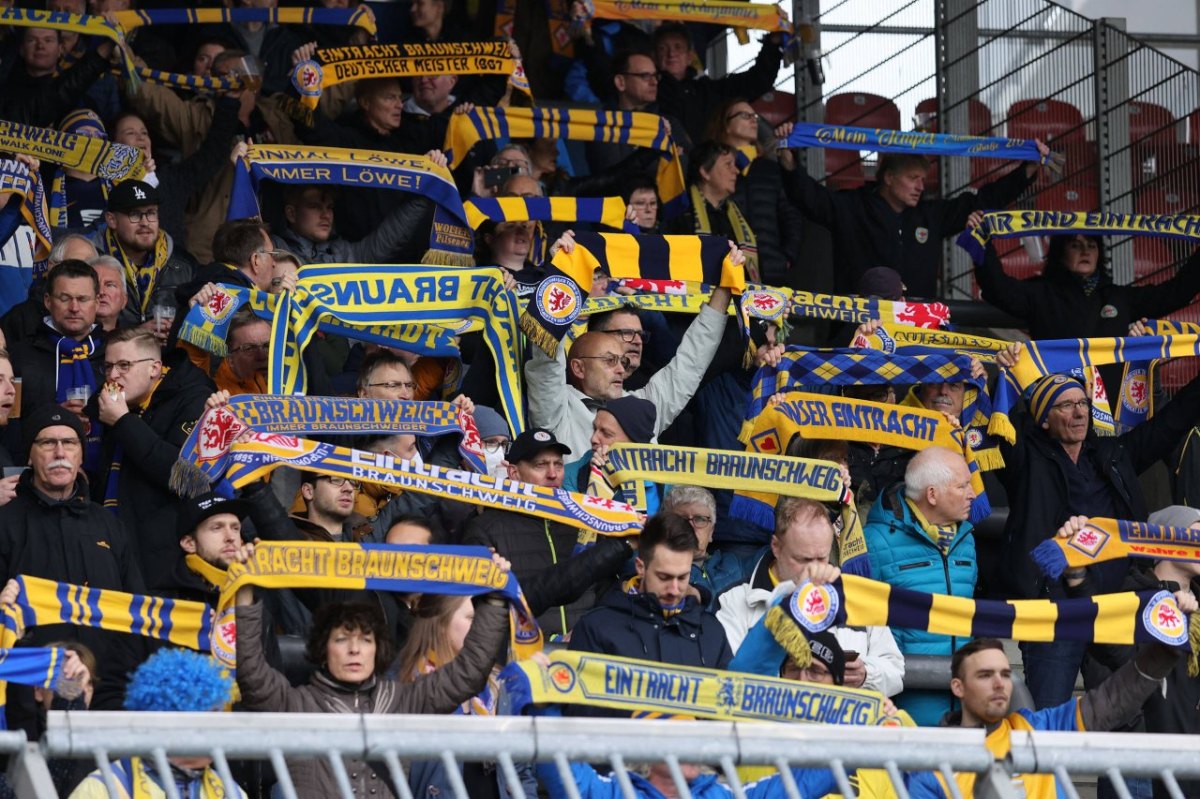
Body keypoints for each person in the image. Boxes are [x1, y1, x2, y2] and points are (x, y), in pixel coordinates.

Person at [233, 544, 512, 799]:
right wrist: (244, 598)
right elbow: (253, 677)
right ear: (322, 650)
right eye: (342, 640)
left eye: (366, 640)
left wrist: (496, 600)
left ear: (377, 650)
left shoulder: (403, 700)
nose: (355, 650)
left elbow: (469, 671)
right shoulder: (297, 704)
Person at [998, 367, 1200, 709]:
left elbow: (1170, 423)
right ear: (1043, 419)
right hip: (1056, 611)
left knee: (1124, 713)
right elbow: (1000, 431)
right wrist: (1012, 374)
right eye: (1065, 405)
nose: (1079, 413)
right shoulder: (1025, 459)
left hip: (1117, 608)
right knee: (1051, 716)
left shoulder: (1113, 454)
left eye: (1083, 403)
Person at [776, 123, 1050, 297]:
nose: (920, 186)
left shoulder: (930, 215)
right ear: (888, 177)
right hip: (860, 329)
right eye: (912, 178)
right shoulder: (852, 207)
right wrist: (787, 157)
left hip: (916, 330)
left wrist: (1027, 171)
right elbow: (809, 197)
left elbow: (983, 200)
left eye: (923, 178)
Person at [526, 230, 735, 457]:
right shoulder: (558, 410)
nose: (621, 368)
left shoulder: (641, 408)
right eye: (609, 360)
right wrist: (560, 275)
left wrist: (726, 286)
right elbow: (546, 359)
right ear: (578, 367)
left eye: (622, 361)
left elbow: (691, 362)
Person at [905, 636, 1189, 798]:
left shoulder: (1036, 727)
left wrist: (1166, 648)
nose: (999, 684)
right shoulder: (930, 769)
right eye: (985, 675)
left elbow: (1111, 702)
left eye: (1005, 674)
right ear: (958, 687)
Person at [0, 405, 145, 714]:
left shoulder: (108, 524)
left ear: (81, 455)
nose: (59, 451)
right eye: (47, 442)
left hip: (108, 690)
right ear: (29, 455)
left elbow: (136, 604)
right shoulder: (5, 523)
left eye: (69, 442)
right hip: (29, 693)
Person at [971, 217, 1200, 396]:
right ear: (1060, 253)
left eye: (1092, 245)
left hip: (1111, 409)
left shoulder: (1118, 296)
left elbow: (1175, 293)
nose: (1085, 251)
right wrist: (983, 240)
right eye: (1075, 245)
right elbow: (996, 287)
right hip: (1057, 405)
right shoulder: (1041, 293)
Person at [718, 496, 903, 697]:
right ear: (776, 547)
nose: (814, 568)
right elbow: (729, 681)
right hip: (771, 725)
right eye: (803, 559)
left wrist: (866, 675)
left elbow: (895, 670)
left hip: (840, 725)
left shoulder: (858, 596)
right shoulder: (734, 600)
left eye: (822, 558)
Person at [125, 49, 298, 262]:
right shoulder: (197, 116)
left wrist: (304, 76)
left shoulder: (275, 116)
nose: (237, 78)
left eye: (241, 71)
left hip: (270, 238)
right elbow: (147, 92)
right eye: (230, 74)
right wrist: (120, 48)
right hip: (210, 243)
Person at [463, 428, 624, 638]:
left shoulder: (583, 523)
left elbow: (607, 591)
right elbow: (482, 608)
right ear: (514, 473)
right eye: (541, 465)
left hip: (586, 649)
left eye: (558, 464)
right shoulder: (485, 528)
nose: (553, 474)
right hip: (524, 655)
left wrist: (588, 631)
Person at [863, 446, 977, 724]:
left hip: (965, 698)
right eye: (963, 486)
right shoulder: (874, 542)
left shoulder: (967, 539)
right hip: (905, 700)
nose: (973, 494)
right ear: (932, 495)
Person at [91, 327, 214, 583]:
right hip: (114, 541)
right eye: (108, 366)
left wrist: (124, 422)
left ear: (155, 368)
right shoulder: (108, 405)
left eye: (124, 365)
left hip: (167, 558)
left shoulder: (194, 399)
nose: (113, 376)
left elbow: (188, 479)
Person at [397, 593, 537, 799]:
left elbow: (520, 771)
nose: (482, 627)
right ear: (440, 623)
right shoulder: (408, 685)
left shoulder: (500, 682)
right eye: (473, 618)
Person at [68, 648, 246, 798]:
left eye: (217, 716)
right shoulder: (102, 789)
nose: (217, 729)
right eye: (205, 718)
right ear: (166, 722)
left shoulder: (231, 792)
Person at [570, 512, 732, 669]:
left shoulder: (712, 631)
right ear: (640, 567)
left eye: (682, 577)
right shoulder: (596, 627)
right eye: (664, 577)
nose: (674, 590)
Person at [705, 99, 803, 285]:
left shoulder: (769, 167)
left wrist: (788, 257)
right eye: (745, 115)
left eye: (755, 116)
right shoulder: (712, 165)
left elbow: (791, 215)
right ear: (726, 125)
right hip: (729, 270)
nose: (753, 120)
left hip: (772, 272)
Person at [652, 23, 783, 144]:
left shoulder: (708, 91)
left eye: (678, 47)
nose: (671, 53)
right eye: (663, 49)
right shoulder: (647, 90)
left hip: (708, 165)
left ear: (690, 56)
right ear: (655, 57)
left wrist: (773, 43)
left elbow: (756, 82)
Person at [93, 180, 194, 331]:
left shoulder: (183, 264)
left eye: (151, 213)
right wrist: (138, 334)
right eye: (135, 214)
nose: (145, 222)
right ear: (112, 220)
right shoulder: (91, 263)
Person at [10, 259, 104, 418]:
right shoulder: (18, 357)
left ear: (97, 303)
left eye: (82, 299)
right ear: (48, 301)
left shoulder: (116, 354)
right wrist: (53, 418)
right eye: (65, 298)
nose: (74, 308)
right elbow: (9, 423)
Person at [272, 185, 433, 266]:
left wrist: (428, 180)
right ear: (291, 213)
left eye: (330, 207)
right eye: (315, 206)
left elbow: (389, 237)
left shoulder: (343, 253)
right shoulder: (272, 251)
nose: (325, 215)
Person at [666, 141, 759, 282]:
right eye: (728, 165)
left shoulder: (740, 213)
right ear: (705, 172)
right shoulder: (681, 212)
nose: (736, 171)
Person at [662, 486, 753, 612]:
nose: (689, 527)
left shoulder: (733, 565)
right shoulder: (648, 564)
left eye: (699, 519)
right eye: (680, 519)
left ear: (711, 532)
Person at [567, 394, 661, 513]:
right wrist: (595, 478)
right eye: (594, 429)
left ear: (634, 444)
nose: (593, 439)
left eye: (606, 434)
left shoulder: (666, 480)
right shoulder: (569, 476)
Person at [167, 491, 250, 602]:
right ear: (189, 544)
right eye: (217, 528)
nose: (230, 537)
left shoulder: (259, 584)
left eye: (235, 528)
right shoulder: (169, 601)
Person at [214, 308, 269, 394]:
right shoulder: (214, 390)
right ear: (230, 358)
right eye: (249, 348)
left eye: (267, 345)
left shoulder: (257, 375)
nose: (262, 356)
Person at [88, 256, 128, 334]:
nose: (101, 292)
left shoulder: (132, 343)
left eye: (110, 285)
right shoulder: (65, 343)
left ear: (124, 300)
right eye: (95, 284)